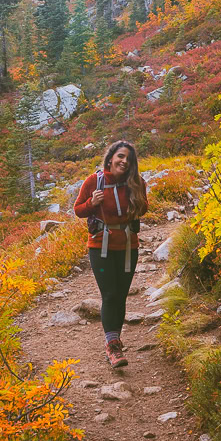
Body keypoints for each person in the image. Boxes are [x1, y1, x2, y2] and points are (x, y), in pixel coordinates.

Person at [73, 140, 148, 368]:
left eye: (128, 159)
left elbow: (143, 209)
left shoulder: (137, 183)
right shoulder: (94, 181)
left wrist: (137, 198)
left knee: (122, 294)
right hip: (100, 246)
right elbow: (78, 210)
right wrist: (91, 203)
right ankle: (112, 345)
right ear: (110, 159)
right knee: (110, 294)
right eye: (120, 157)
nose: (124, 161)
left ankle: (115, 339)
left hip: (127, 246)